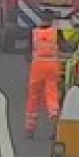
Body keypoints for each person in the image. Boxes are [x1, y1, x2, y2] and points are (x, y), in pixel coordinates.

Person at [25, 9, 62, 140]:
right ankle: (56, 128)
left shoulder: (34, 33)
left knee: (34, 97)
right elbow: (65, 47)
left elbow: (28, 52)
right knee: (52, 96)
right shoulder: (56, 33)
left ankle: (30, 130)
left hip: (37, 66)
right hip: (52, 66)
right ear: (52, 20)